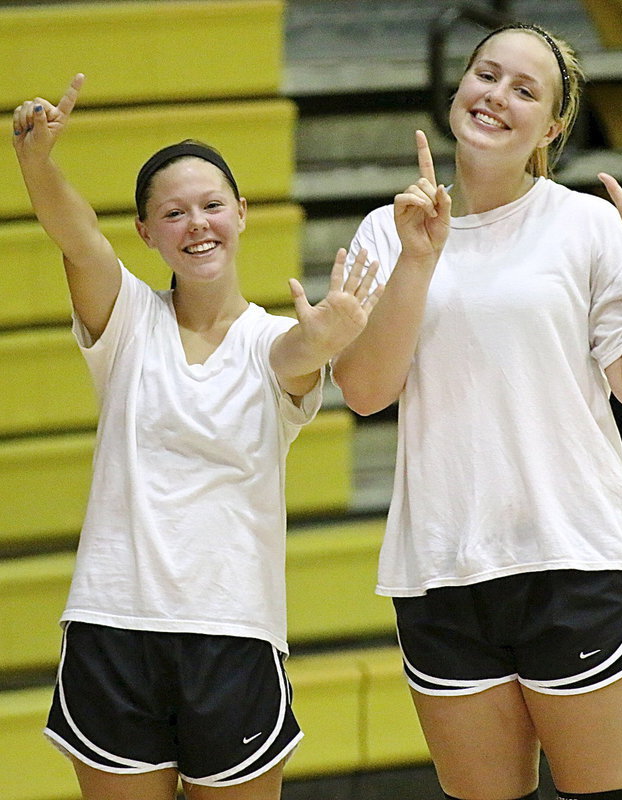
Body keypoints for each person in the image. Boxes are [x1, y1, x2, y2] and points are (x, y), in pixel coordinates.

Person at [332, 23, 622, 800]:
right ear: (458, 86)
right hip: (440, 570)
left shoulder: (590, 225)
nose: (495, 96)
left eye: (523, 89)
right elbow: (365, 391)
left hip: (574, 559)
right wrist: (417, 261)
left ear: (553, 127)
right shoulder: (389, 228)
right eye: (485, 74)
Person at [13, 73, 381, 800]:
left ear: (242, 214)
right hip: (111, 628)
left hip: (233, 636)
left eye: (212, 205)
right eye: (173, 213)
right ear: (146, 234)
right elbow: (78, 240)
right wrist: (36, 163)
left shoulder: (278, 339)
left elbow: (294, 362)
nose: (197, 223)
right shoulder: (125, 323)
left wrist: (327, 339)